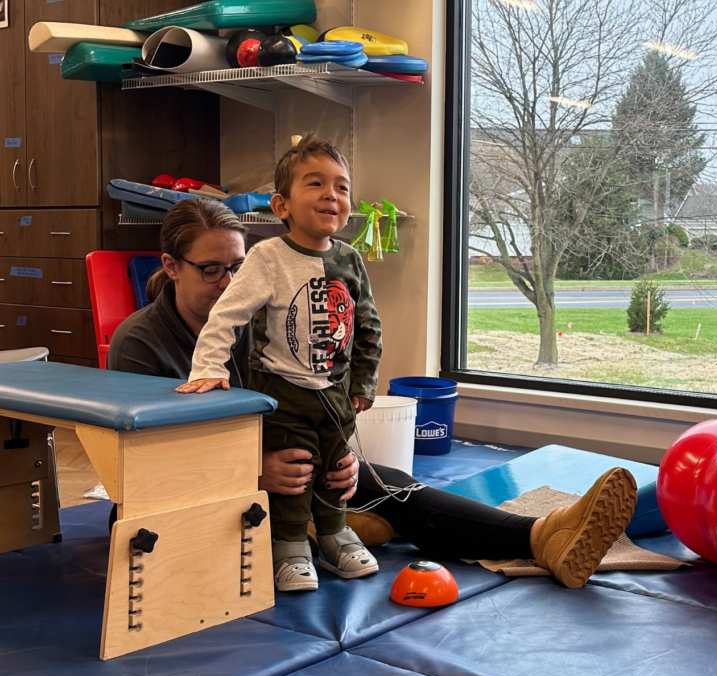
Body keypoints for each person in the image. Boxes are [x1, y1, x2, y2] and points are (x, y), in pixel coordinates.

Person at [108, 153, 636, 595]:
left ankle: (543, 536)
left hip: (290, 460)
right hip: (201, 487)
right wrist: (254, 472)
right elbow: (144, 466)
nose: (229, 284)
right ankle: (308, 530)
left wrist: (339, 456)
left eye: (238, 268)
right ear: (172, 266)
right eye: (210, 269)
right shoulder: (141, 342)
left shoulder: (263, 315)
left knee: (386, 482)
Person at [177, 134, 383, 591]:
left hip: (335, 391)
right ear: (281, 205)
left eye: (343, 187)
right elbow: (226, 315)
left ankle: (333, 534)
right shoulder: (268, 257)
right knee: (295, 470)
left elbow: (368, 326)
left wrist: (363, 383)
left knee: (335, 469)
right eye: (315, 184)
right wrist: (208, 368)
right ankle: (289, 546)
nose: (332, 195)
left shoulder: (350, 259)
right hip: (283, 392)